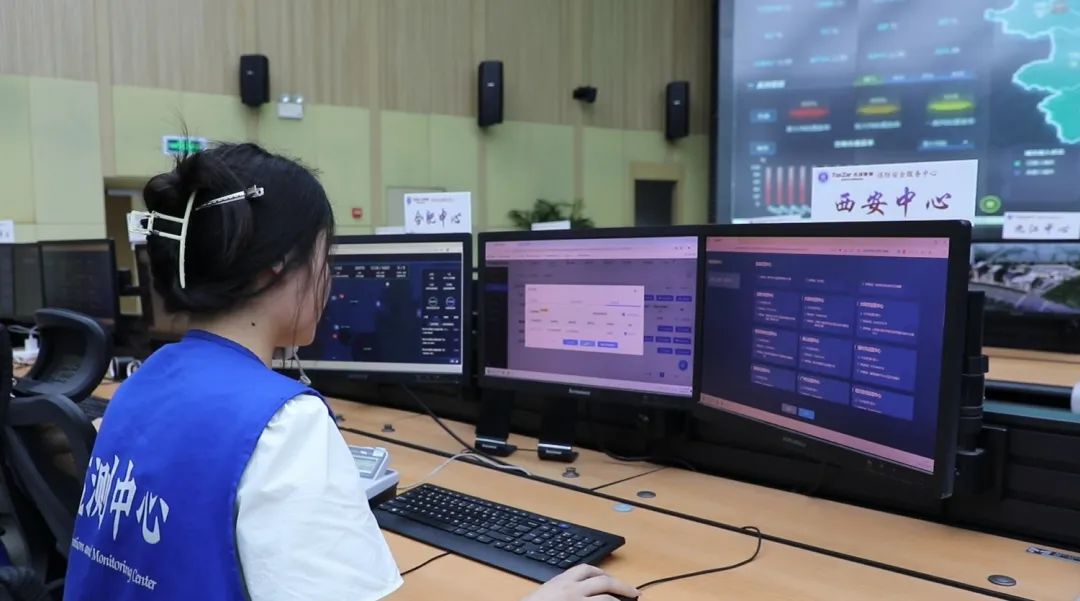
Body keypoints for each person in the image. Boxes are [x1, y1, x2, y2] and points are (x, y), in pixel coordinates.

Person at [63, 143, 639, 601]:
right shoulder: (282, 424)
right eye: (325, 257)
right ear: (275, 269)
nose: (330, 278)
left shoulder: (147, 379)